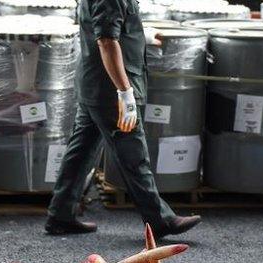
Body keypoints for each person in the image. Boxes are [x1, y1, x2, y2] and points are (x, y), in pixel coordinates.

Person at [45, 0, 201, 237]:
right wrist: (125, 93)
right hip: (111, 92)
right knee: (134, 155)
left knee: (80, 154)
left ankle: (60, 215)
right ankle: (160, 220)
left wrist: (138, 36)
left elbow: (107, 27)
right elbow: (107, 41)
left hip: (94, 85)